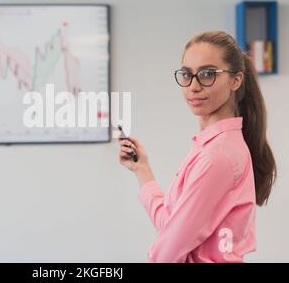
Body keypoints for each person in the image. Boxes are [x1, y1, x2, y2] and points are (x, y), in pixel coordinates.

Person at [118, 31, 277, 263]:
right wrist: (142, 169)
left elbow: (166, 252)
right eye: (187, 74)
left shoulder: (218, 156)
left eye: (207, 74)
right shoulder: (209, 148)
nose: (193, 86)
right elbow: (170, 226)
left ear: (236, 80)